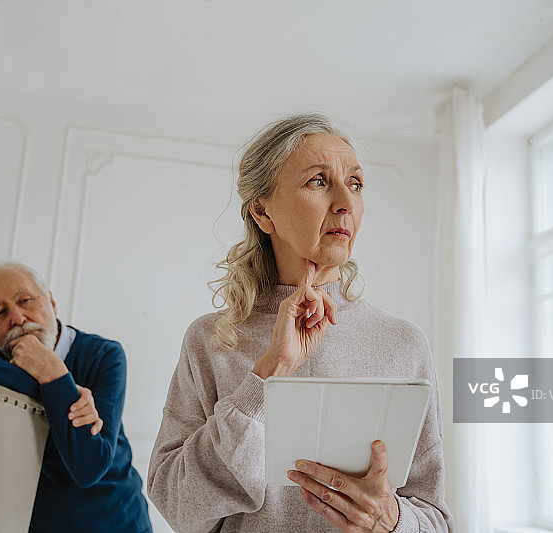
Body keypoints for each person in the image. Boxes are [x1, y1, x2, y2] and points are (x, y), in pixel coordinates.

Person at [147, 113, 453, 532]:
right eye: (319, 181)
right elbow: (179, 508)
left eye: (356, 184)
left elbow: (436, 520)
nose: (346, 201)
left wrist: (391, 519)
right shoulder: (210, 341)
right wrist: (266, 377)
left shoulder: (403, 343)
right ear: (262, 212)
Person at [0, 262, 152, 533]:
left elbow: (88, 466)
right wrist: (58, 384)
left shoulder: (104, 354)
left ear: (51, 301)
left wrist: (54, 374)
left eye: (25, 300)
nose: (17, 317)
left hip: (117, 519)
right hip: (44, 523)